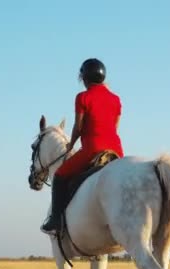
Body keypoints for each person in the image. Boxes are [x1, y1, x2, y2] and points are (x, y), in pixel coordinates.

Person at [41, 58, 124, 235]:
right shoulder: (116, 99)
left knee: (59, 175)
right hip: (116, 151)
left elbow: (78, 127)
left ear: (84, 78)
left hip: (93, 149)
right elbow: (115, 127)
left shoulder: (83, 97)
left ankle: (55, 219)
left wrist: (71, 144)